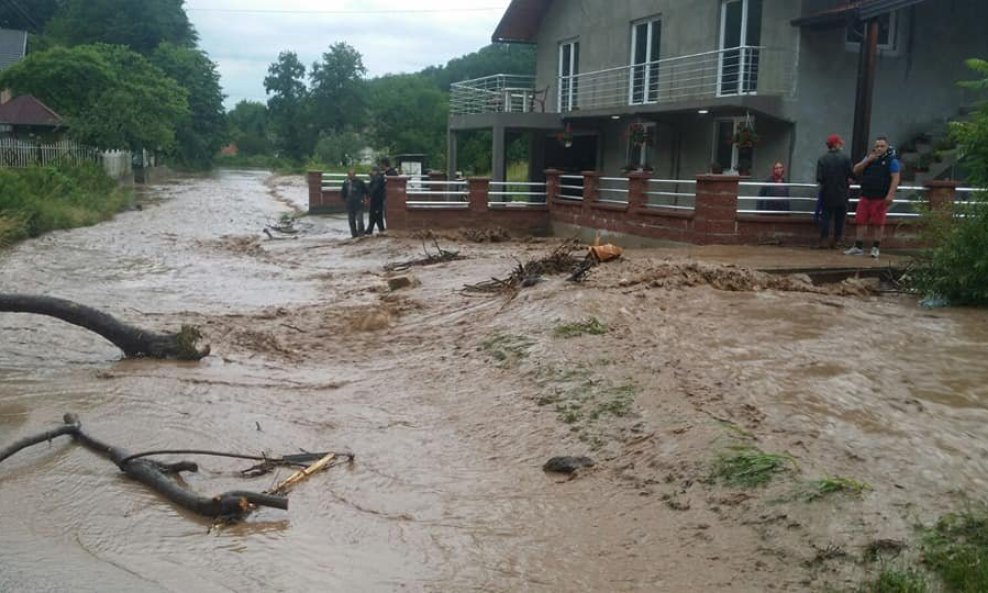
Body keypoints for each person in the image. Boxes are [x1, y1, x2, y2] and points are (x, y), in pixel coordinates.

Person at [846, 136, 900, 258]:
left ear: (887, 147)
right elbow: (855, 169)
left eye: (882, 146)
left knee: (878, 223)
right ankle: (858, 246)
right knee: (860, 221)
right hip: (866, 195)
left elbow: (895, 178)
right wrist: (868, 160)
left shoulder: (892, 161)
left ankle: (875, 247)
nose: (879, 148)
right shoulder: (869, 158)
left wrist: (890, 194)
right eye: (877, 146)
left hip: (880, 197)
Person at [816, 134, 854, 249]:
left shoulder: (822, 159)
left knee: (826, 217)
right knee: (840, 218)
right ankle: (837, 241)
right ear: (837, 144)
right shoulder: (846, 158)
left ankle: (824, 240)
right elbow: (851, 174)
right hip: (842, 193)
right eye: (840, 143)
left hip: (827, 193)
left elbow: (820, 178)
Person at [341, 168, 367, 238]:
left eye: (352, 174)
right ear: (348, 175)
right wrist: (345, 200)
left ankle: (361, 234)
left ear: (355, 175)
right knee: (351, 221)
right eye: (350, 174)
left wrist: (364, 199)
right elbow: (343, 193)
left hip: (359, 203)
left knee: (360, 220)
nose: (351, 176)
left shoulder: (360, 182)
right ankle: (354, 234)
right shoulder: (346, 182)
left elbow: (366, 191)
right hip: (350, 204)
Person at [366, 166, 386, 235]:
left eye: (372, 171)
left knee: (376, 216)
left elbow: (374, 189)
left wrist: (369, 193)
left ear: (375, 171)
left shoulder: (378, 179)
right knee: (374, 216)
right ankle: (370, 229)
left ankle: (378, 230)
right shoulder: (378, 178)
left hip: (376, 200)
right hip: (376, 200)